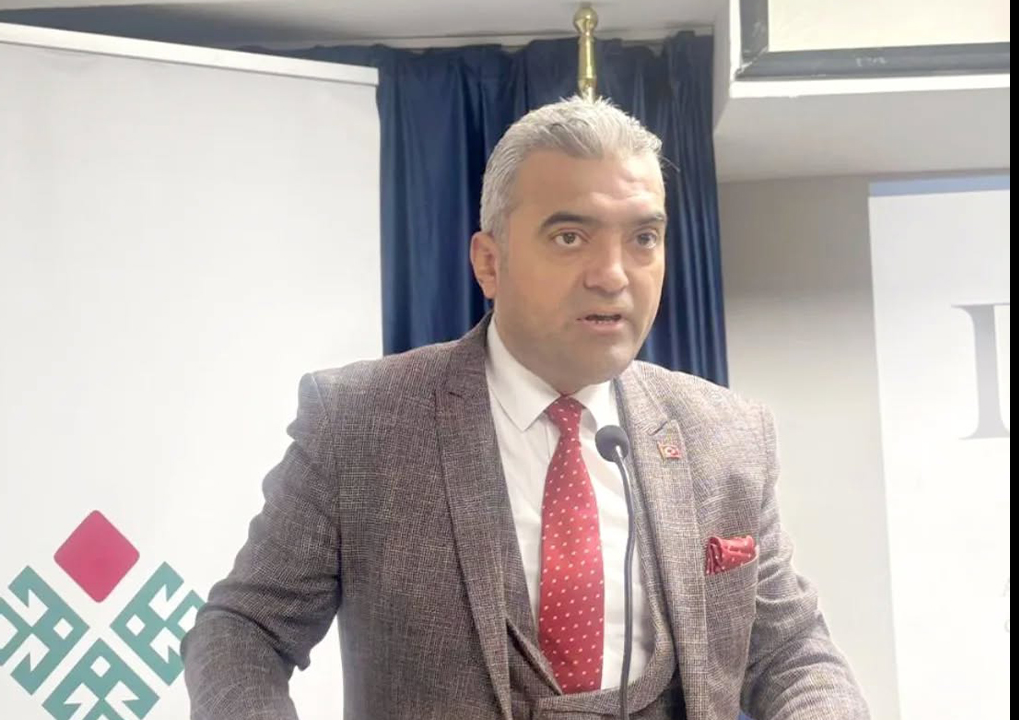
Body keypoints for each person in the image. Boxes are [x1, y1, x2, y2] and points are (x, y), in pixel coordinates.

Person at [181, 97, 869, 720]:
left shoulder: (728, 435)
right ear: (489, 262)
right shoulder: (359, 423)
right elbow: (242, 631)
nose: (612, 274)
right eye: (570, 237)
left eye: (643, 238)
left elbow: (791, 653)